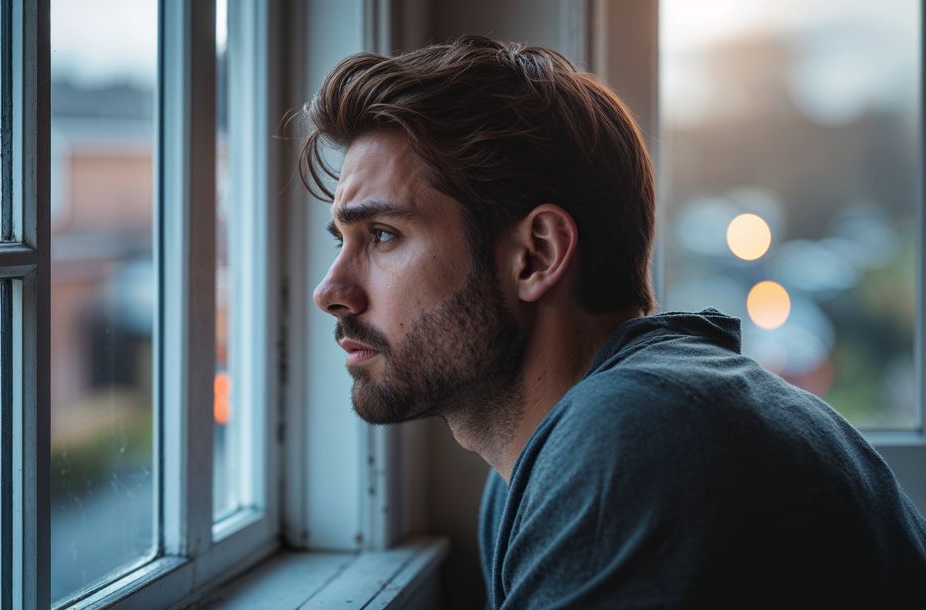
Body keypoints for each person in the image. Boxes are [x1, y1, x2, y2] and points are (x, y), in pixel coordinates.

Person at [300, 35, 926, 608]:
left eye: (382, 235)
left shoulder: (635, 439)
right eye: (342, 240)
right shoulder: (547, 458)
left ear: (537, 254)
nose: (330, 290)